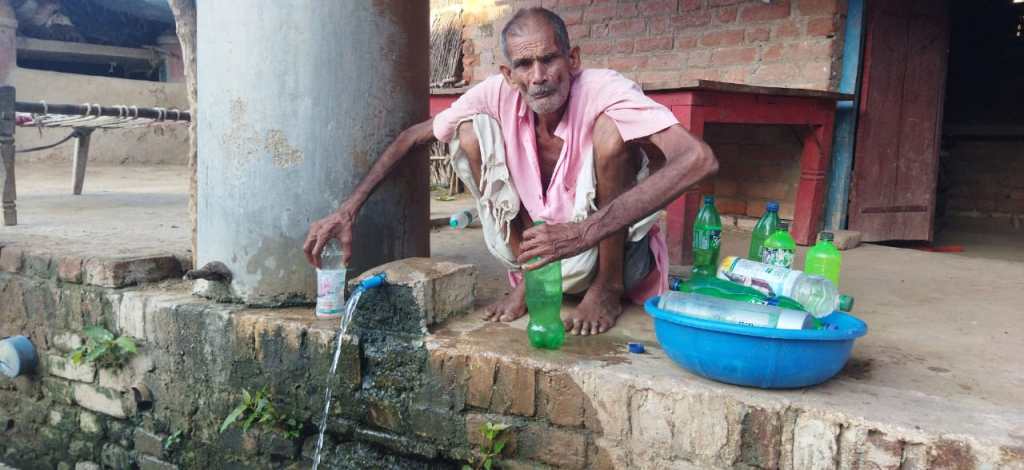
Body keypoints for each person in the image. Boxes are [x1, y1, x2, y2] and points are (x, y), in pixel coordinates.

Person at [304, 7, 717, 336]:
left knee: (611, 134)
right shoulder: (497, 94)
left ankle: (606, 289)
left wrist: (583, 232)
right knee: (469, 132)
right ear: (508, 73)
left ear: (572, 60)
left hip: (611, 255)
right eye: (524, 64)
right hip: (542, 253)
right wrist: (348, 210)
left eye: (549, 59)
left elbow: (698, 158)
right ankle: (529, 281)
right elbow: (414, 136)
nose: (538, 77)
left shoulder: (603, 88)